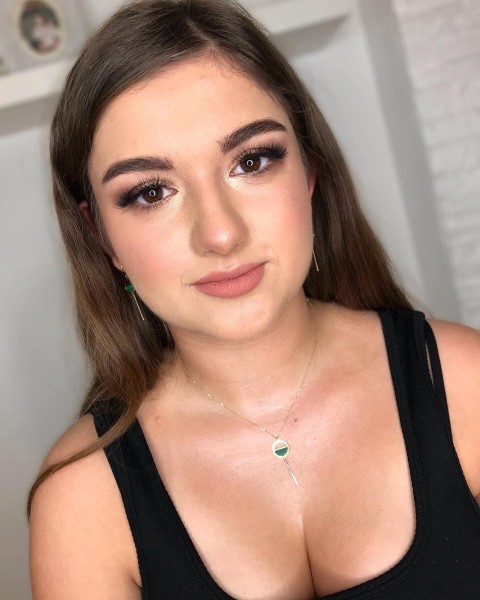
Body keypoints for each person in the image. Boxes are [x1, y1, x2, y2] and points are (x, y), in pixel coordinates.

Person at [28, 1, 480, 598]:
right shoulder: (82, 499)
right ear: (101, 236)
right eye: (151, 192)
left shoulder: (466, 383)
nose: (220, 233)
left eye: (252, 160)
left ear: (309, 172)